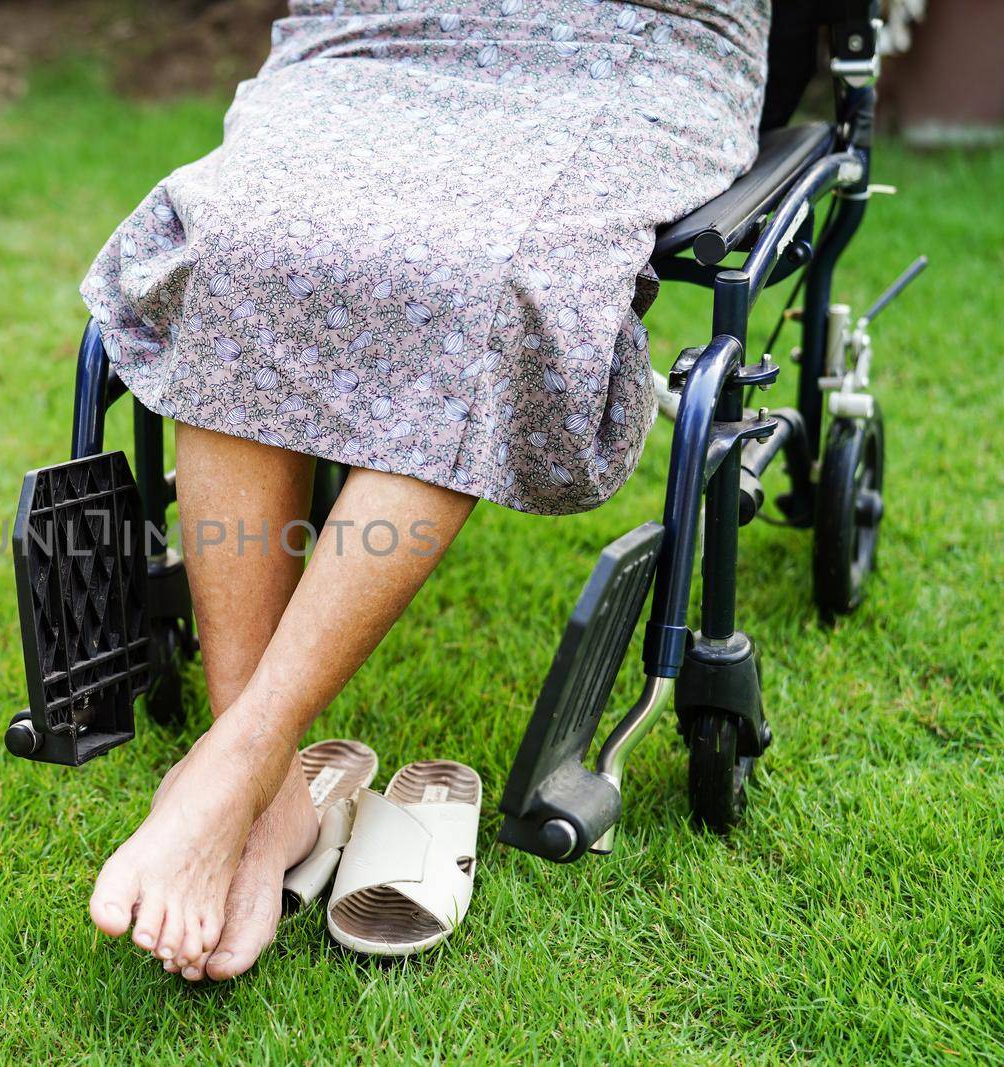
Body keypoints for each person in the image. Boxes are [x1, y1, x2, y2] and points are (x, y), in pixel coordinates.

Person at [77, 0, 769, 982]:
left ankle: (237, 762)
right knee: (240, 239)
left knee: (488, 277)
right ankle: (262, 786)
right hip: (392, 25)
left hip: (630, 36)